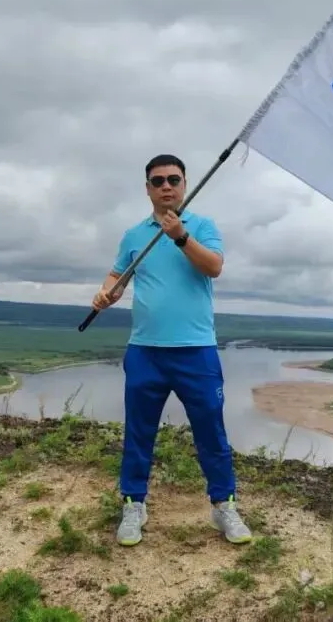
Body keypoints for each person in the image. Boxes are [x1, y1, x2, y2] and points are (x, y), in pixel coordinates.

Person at [92, 153, 251, 548]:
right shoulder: (134, 235)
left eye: (173, 180)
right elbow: (118, 274)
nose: (166, 186)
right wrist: (107, 292)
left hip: (196, 350)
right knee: (138, 431)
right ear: (147, 188)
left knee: (211, 430)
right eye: (158, 181)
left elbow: (213, 266)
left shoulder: (202, 226)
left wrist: (180, 236)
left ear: (184, 184)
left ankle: (224, 505)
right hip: (145, 350)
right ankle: (134, 504)